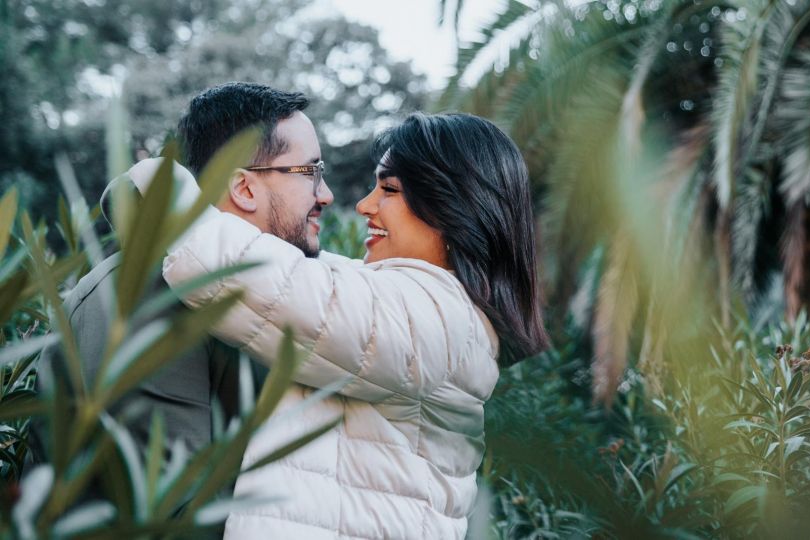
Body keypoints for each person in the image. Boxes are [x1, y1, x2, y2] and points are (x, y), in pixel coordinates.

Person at [135, 112, 550, 538]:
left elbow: (278, 286)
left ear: (452, 206)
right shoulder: (413, 305)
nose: (364, 205)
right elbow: (300, 270)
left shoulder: (439, 317)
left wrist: (159, 187)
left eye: (389, 189)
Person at [32, 82, 334, 490]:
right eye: (310, 172)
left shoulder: (254, 292)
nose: (326, 194)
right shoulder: (144, 294)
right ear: (244, 188)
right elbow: (163, 509)